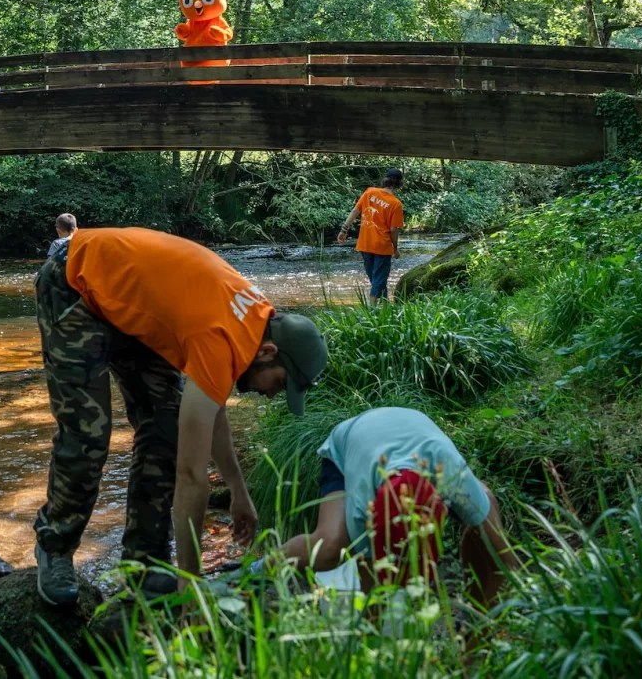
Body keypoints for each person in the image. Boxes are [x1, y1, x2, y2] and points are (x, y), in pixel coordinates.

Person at [34, 227, 328, 605]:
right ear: (270, 353)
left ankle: (146, 563)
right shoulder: (220, 336)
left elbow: (211, 411)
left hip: (126, 302)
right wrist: (191, 585)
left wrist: (239, 491)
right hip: (75, 284)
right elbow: (191, 478)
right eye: (281, 384)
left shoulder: (253, 323)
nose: (273, 394)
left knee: (168, 424)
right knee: (88, 434)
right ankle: (54, 545)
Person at [275, 406, 516, 605]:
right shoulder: (363, 511)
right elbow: (373, 604)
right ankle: (264, 566)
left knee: (485, 519)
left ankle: (471, 623)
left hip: (412, 430)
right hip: (353, 439)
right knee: (329, 548)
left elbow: (505, 566)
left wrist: (478, 630)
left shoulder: (456, 483)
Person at [338, 169, 405, 305]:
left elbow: (355, 210)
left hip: (365, 244)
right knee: (378, 280)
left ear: (385, 180)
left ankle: (386, 308)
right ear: (400, 183)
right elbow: (393, 230)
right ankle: (372, 312)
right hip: (382, 246)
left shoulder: (369, 192)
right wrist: (395, 247)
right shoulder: (396, 204)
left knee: (377, 279)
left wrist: (344, 230)